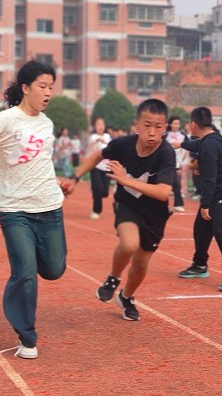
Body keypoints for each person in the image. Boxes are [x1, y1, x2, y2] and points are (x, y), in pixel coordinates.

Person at [0, 61, 66, 359]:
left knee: (55, 269)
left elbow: (41, 159)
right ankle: (27, 337)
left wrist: (56, 180)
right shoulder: (7, 119)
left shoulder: (46, 123)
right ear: (25, 88)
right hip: (15, 210)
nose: (48, 93)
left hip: (49, 206)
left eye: (51, 87)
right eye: (42, 87)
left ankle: (29, 274)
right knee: (25, 273)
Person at [68, 99, 175, 321]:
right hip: (127, 204)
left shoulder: (166, 153)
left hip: (155, 214)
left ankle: (126, 297)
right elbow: (98, 155)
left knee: (141, 264)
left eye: (158, 126)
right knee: (129, 243)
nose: (152, 132)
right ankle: (113, 278)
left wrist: (126, 180)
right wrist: (76, 177)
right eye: (147, 125)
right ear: (136, 125)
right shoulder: (123, 144)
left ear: (165, 128)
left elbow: (164, 192)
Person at [178, 108, 222, 292]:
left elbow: (210, 177)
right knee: (200, 228)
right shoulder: (212, 139)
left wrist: (205, 204)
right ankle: (200, 265)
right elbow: (197, 145)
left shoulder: (209, 145)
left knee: (221, 231)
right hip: (217, 190)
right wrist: (181, 144)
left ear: (193, 124)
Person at [87, 117, 112, 219]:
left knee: (105, 192)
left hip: (106, 167)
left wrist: (105, 142)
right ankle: (96, 211)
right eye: (98, 124)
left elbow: (111, 147)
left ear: (104, 126)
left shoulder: (107, 137)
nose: (100, 126)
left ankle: (95, 188)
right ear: (95, 126)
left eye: (102, 124)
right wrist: (98, 140)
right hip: (95, 166)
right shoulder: (93, 137)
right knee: (98, 189)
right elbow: (92, 143)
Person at [165, 116, 188, 212]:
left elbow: (188, 145)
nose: (177, 126)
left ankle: (178, 204)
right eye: (175, 123)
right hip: (165, 163)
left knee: (176, 184)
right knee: (163, 184)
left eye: (178, 124)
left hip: (176, 163)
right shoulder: (165, 135)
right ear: (170, 124)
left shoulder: (182, 135)